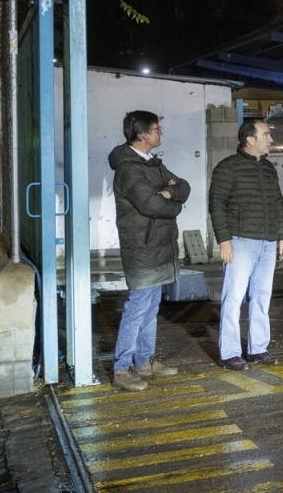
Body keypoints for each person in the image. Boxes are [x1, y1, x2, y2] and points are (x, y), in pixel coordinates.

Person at [108, 111, 190, 391]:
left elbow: (185, 187)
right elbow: (151, 206)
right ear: (142, 134)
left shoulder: (153, 163)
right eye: (156, 129)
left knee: (151, 308)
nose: (160, 133)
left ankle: (144, 361)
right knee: (137, 308)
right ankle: (122, 369)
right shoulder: (128, 169)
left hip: (160, 247)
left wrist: (169, 193)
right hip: (142, 249)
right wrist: (173, 203)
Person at [210, 119, 283, 370]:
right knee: (233, 299)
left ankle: (258, 348)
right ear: (250, 139)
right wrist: (224, 240)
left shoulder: (267, 168)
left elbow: (277, 203)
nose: (271, 140)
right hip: (240, 242)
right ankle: (230, 353)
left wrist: (282, 235)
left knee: (261, 297)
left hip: (267, 243)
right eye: (266, 135)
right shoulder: (228, 168)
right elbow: (217, 205)